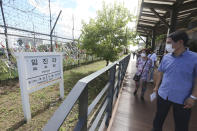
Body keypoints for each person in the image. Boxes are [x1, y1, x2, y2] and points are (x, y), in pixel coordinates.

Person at [151, 30, 197, 131]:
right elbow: (160, 72)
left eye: (169, 42)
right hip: (163, 95)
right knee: (157, 121)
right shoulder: (166, 57)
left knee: (181, 126)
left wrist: (193, 97)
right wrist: (156, 87)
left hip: (183, 100)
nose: (167, 45)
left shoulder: (195, 58)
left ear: (180, 42)